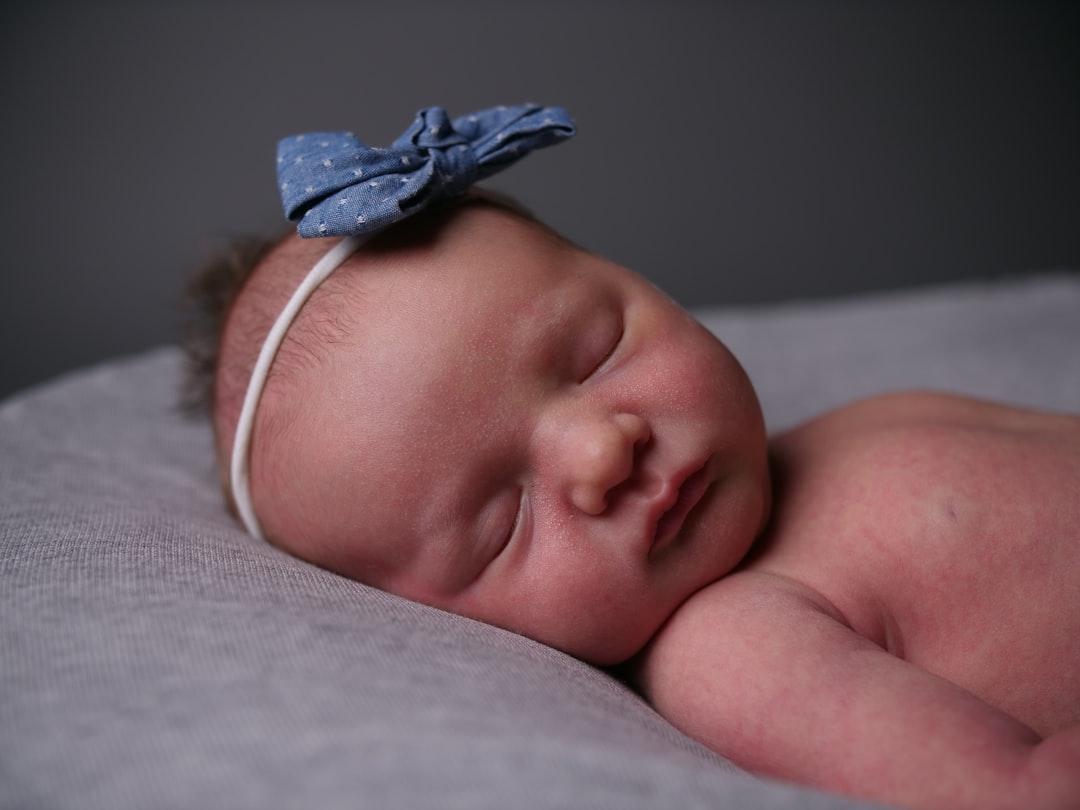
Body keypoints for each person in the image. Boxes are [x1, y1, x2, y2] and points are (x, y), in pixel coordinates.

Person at [185, 104, 1080, 810]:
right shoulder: (737, 648)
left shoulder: (859, 427)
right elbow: (1020, 791)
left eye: (597, 353)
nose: (603, 449)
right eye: (504, 522)